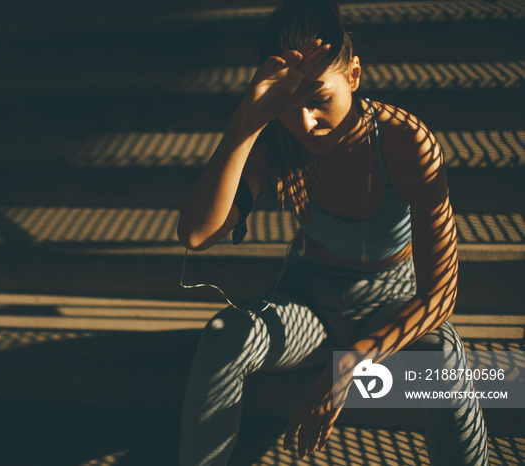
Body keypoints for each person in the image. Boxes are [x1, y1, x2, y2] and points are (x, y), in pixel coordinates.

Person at [176, 1, 490, 465]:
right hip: (308, 303)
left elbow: (440, 295)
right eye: (289, 105)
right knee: (225, 335)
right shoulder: (277, 138)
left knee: (443, 352)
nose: (305, 123)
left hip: (390, 301)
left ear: (355, 76)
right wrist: (248, 119)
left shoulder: (405, 141)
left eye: (319, 98)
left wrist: (350, 364)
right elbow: (197, 234)